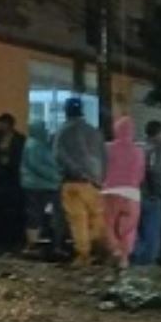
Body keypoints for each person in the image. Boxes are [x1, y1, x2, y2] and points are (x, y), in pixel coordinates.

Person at [54, 98, 107, 266]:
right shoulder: (95, 132)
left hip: (72, 182)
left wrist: (76, 171)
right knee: (96, 218)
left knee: (78, 220)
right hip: (94, 184)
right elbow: (104, 157)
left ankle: (83, 254)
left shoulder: (62, 131)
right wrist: (100, 178)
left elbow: (58, 155)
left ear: (66, 111)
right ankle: (98, 249)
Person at [100, 117, 145, 271]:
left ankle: (115, 250)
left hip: (109, 191)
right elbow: (141, 174)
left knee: (109, 225)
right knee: (129, 227)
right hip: (132, 193)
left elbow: (101, 168)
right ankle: (125, 258)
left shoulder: (107, 148)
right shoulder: (139, 151)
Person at [19, 115, 62, 253]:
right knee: (38, 214)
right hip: (40, 185)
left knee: (36, 214)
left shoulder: (35, 144)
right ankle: (34, 243)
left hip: (36, 185)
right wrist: (55, 177)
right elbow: (38, 165)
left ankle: (35, 242)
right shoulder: (35, 145)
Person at [133, 120, 161, 267]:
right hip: (151, 195)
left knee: (137, 229)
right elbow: (155, 171)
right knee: (152, 232)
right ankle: (148, 263)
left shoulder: (138, 147)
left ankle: (136, 259)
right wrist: (159, 191)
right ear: (160, 132)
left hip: (135, 194)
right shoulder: (158, 148)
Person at [0, 113, 26, 249]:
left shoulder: (19, 140)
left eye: (2, 123)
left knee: (12, 210)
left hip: (13, 178)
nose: (0, 126)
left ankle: (13, 238)